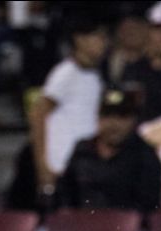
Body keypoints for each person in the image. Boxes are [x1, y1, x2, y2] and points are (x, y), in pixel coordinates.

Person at [29, 16, 106, 196]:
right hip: (61, 164)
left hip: (85, 163)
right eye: (98, 37)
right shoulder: (65, 73)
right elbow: (38, 114)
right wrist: (42, 164)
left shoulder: (97, 75)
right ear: (80, 40)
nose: (104, 43)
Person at [56, 89, 161, 213]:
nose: (113, 124)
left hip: (126, 229)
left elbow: (148, 208)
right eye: (107, 115)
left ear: (133, 120)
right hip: (81, 226)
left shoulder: (145, 155)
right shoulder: (82, 150)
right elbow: (65, 196)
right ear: (98, 118)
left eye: (122, 116)